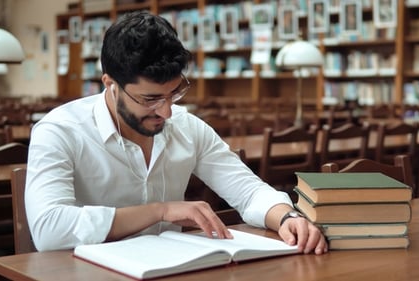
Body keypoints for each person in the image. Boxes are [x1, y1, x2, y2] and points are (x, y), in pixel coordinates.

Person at [25, 10, 328, 255]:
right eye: (150, 99)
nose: (167, 112)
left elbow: (248, 192)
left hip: (171, 269)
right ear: (110, 85)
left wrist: (287, 217)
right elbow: (49, 230)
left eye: (173, 94)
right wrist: (160, 211)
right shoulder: (60, 131)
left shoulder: (186, 126)